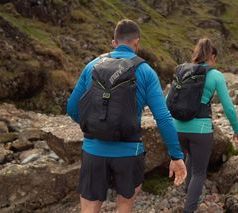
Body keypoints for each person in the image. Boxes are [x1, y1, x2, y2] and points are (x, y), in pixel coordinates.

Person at [67, 19, 187, 213]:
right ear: (136, 43)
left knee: (89, 206)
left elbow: (72, 108)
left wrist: (95, 126)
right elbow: (163, 117)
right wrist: (176, 155)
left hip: (93, 150)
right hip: (129, 152)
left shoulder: (92, 66)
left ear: (114, 42)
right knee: (124, 203)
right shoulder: (145, 71)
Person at [169, 38, 238, 213]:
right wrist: (237, 131)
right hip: (200, 130)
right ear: (212, 56)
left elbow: (168, 100)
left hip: (177, 128)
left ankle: (189, 192)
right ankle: (190, 208)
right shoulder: (215, 74)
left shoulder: (182, 70)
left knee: (190, 155)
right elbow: (229, 108)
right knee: (199, 173)